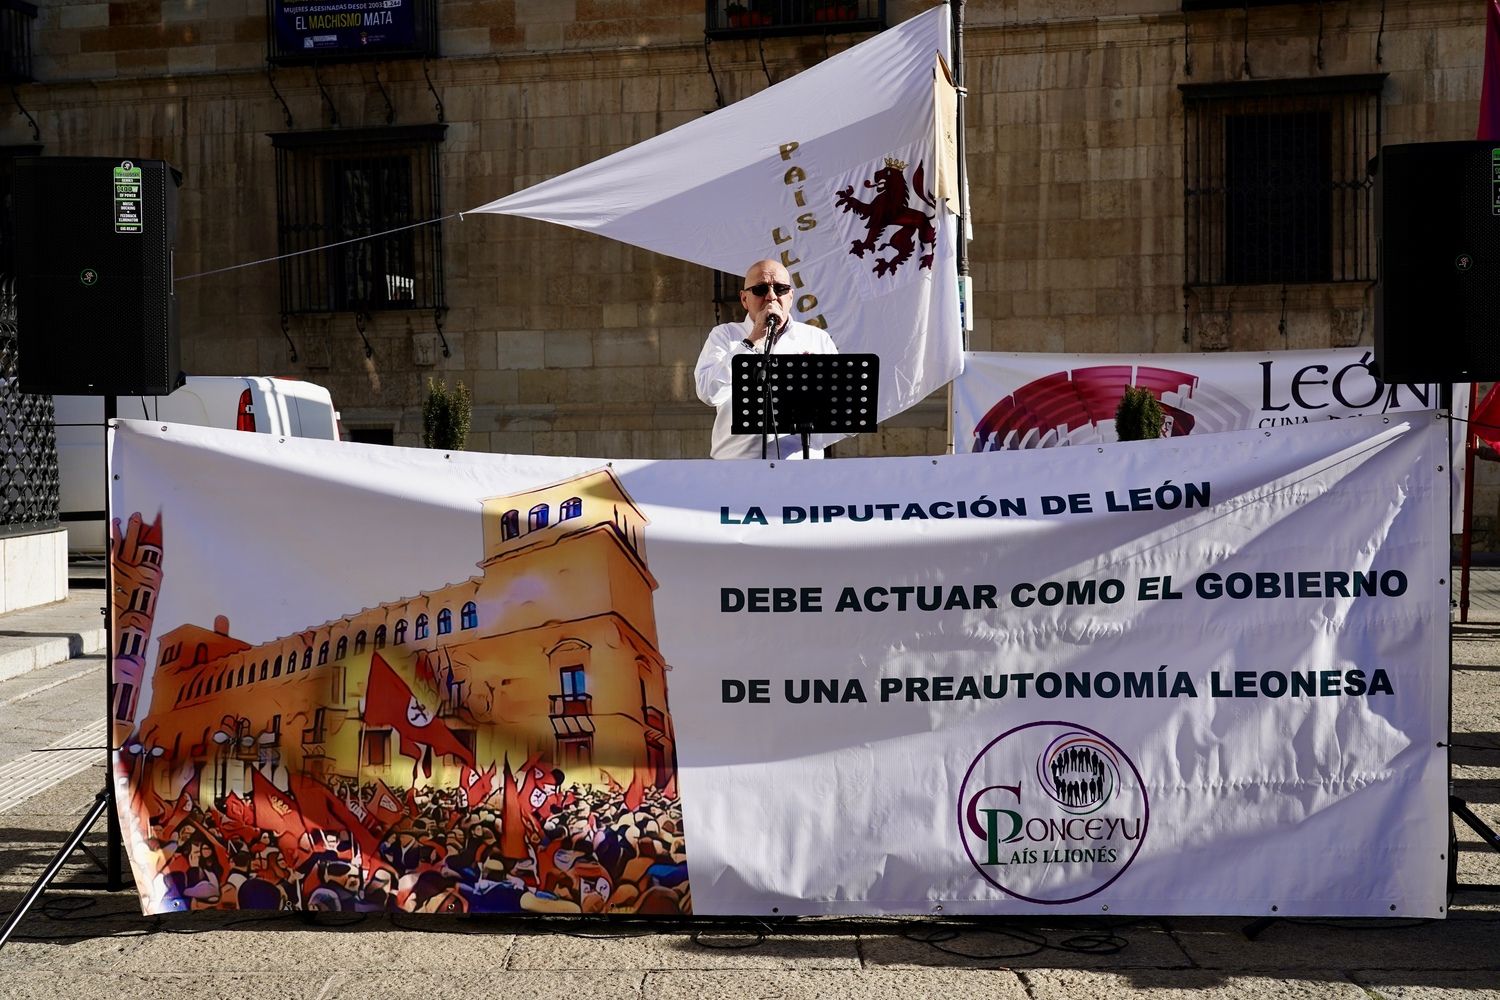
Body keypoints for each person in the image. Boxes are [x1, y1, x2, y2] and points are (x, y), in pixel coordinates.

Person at [695, 259, 838, 459]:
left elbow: (840, 414)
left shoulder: (816, 338)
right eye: (761, 289)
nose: (771, 296)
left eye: (780, 289)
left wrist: (809, 440)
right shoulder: (724, 335)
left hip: (800, 469)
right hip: (739, 466)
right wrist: (753, 340)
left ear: (790, 296)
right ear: (744, 299)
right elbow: (709, 393)